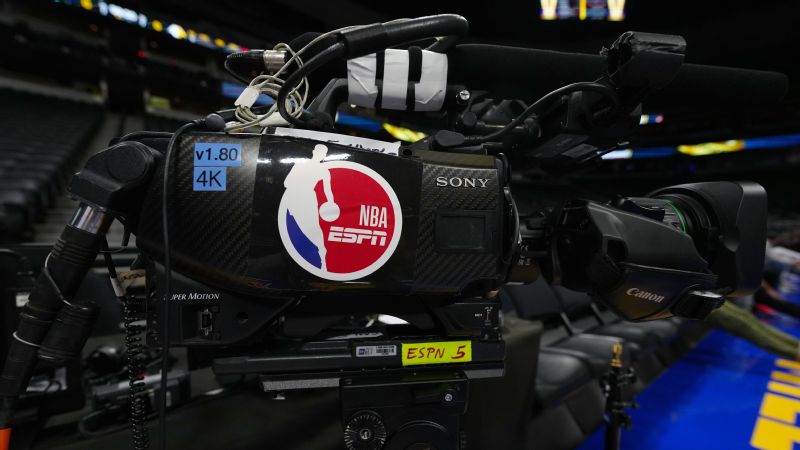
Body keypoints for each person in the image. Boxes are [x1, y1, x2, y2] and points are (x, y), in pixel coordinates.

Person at [283, 144, 338, 271]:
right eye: (320, 152)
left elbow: (328, 191)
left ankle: (322, 260)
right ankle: (316, 258)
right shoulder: (302, 164)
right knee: (299, 228)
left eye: (323, 153)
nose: (321, 155)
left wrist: (331, 204)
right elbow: (286, 183)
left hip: (307, 199)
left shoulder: (323, 171)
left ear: (324, 156)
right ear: (314, 151)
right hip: (296, 198)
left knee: (313, 229)